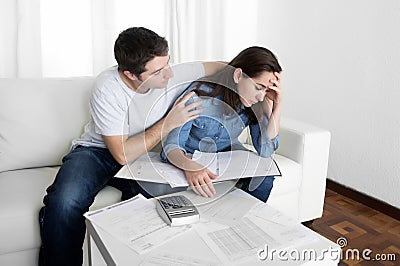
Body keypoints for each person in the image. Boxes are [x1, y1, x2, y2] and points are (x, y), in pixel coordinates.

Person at [38, 27, 224, 266]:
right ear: (130, 74)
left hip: (143, 155)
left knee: (162, 203)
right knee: (65, 203)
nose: (169, 74)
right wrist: (168, 124)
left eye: (168, 63)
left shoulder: (170, 72)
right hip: (97, 152)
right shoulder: (108, 87)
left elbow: (223, 66)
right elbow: (121, 153)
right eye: (158, 71)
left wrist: (256, 76)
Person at [160, 46, 282, 202]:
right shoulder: (197, 96)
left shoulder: (256, 103)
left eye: (266, 90)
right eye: (258, 87)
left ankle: (242, 221)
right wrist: (190, 166)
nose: (260, 96)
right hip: (193, 155)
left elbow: (266, 150)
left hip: (227, 155)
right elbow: (172, 146)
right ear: (238, 75)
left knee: (265, 176)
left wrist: (275, 106)